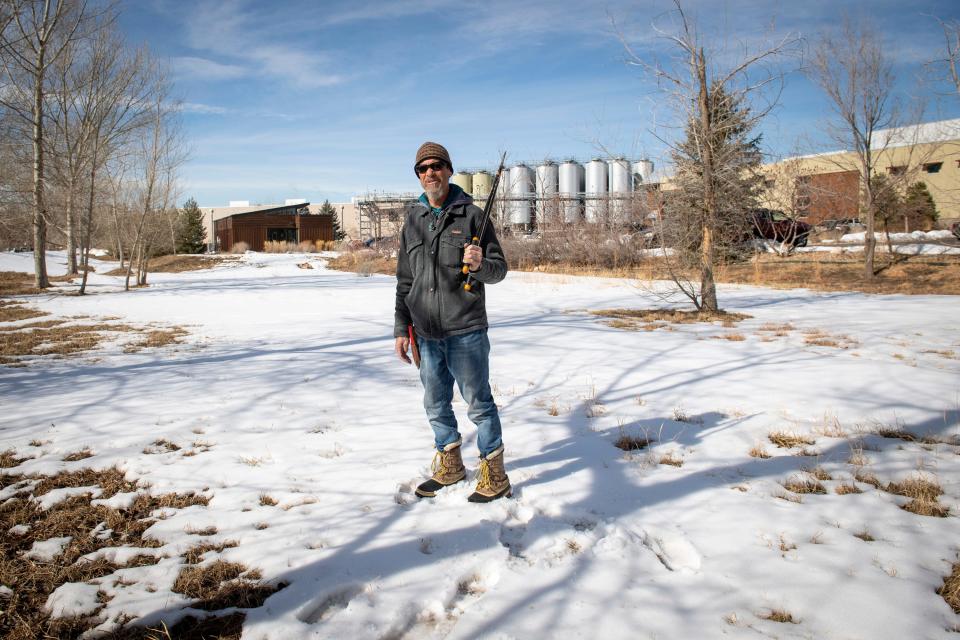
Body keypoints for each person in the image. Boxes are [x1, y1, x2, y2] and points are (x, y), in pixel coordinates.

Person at [394, 141, 511, 503]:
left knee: (478, 403)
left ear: (448, 170)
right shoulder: (412, 221)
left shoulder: (473, 216)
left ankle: (495, 472)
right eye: (423, 168)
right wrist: (401, 328)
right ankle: (450, 464)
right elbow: (404, 281)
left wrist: (480, 265)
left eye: (436, 166)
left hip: (466, 330)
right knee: (435, 403)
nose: (430, 173)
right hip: (425, 333)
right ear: (419, 176)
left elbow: (499, 270)